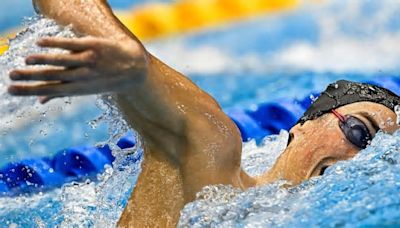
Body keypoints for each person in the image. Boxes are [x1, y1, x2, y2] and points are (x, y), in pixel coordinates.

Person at [7, 0, 400, 227]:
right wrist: (127, 58)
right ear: (301, 126)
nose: (361, 157)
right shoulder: (213, 156)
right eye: (359, 133)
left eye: (381, 153)